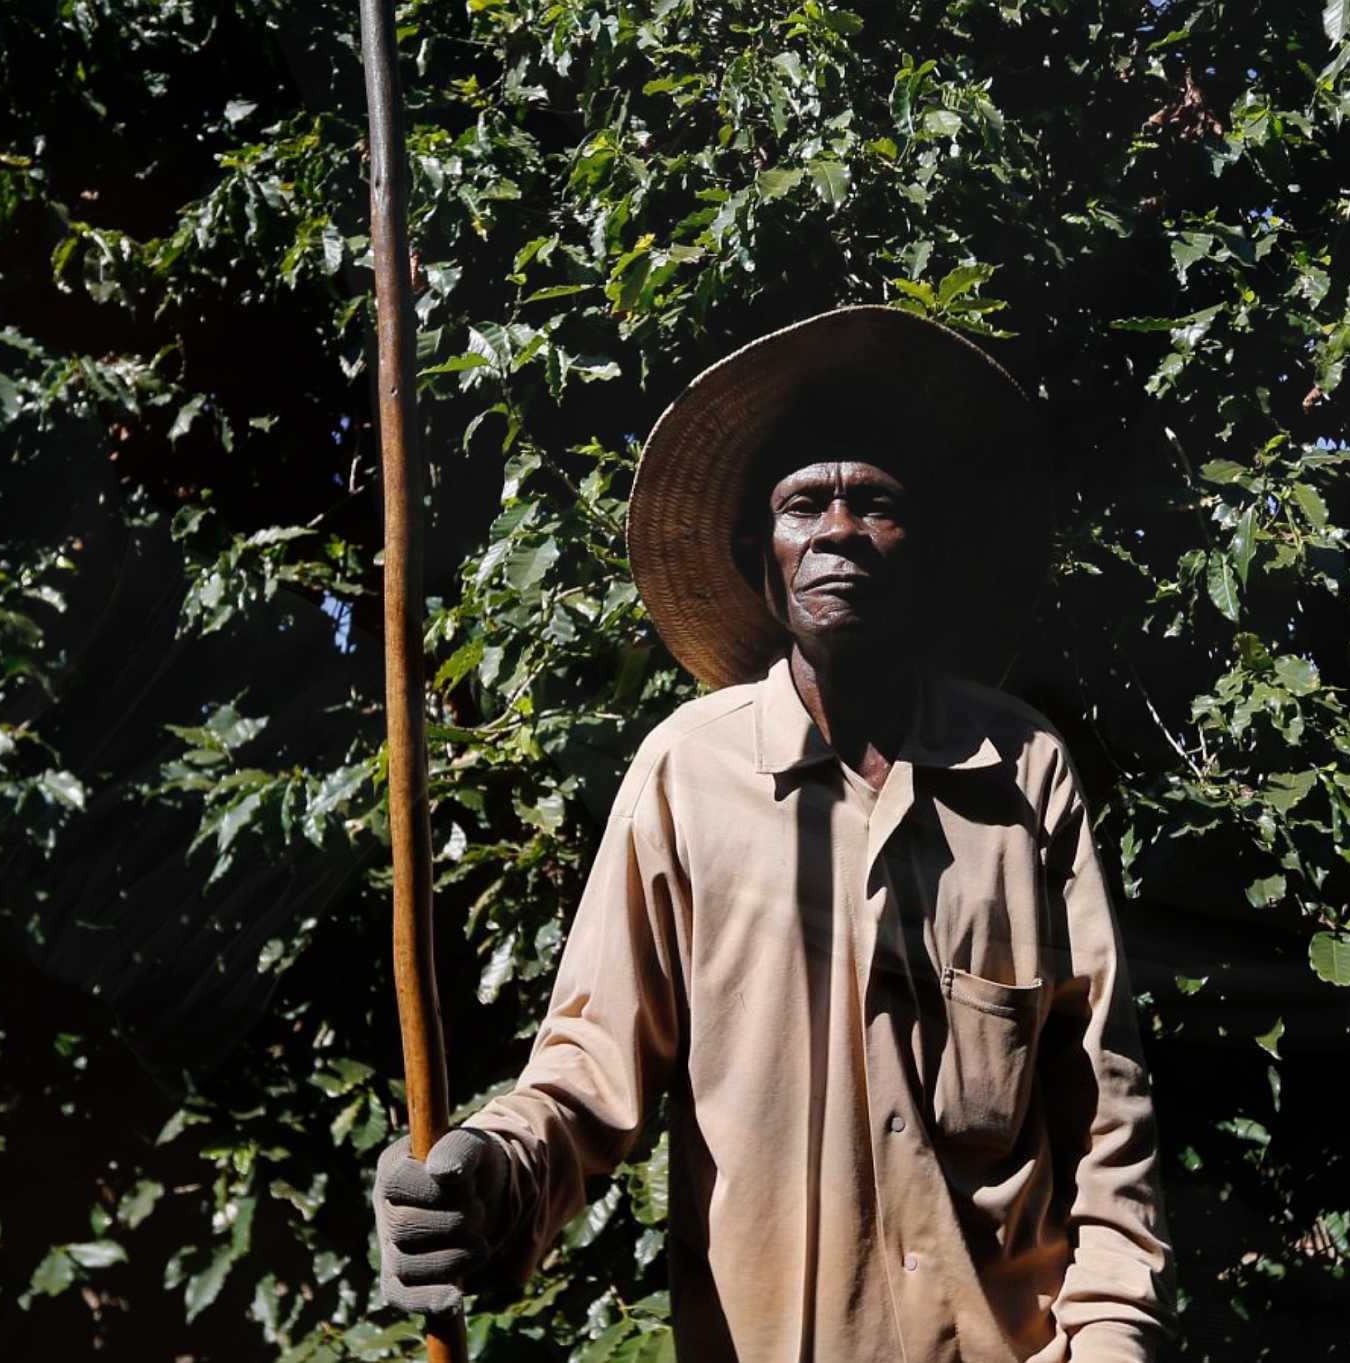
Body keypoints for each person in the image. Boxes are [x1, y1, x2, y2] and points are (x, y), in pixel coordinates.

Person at [372, 306, 1175, 1362]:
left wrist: (1113, 1341)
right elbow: (583, 1079)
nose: (838, 530)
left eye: (875, 505)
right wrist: (480, 1174)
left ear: (921, 551)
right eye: (806, 504)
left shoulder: (1021, 772)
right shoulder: (687, 774)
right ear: (764, 559)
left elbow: (1103, 1120)